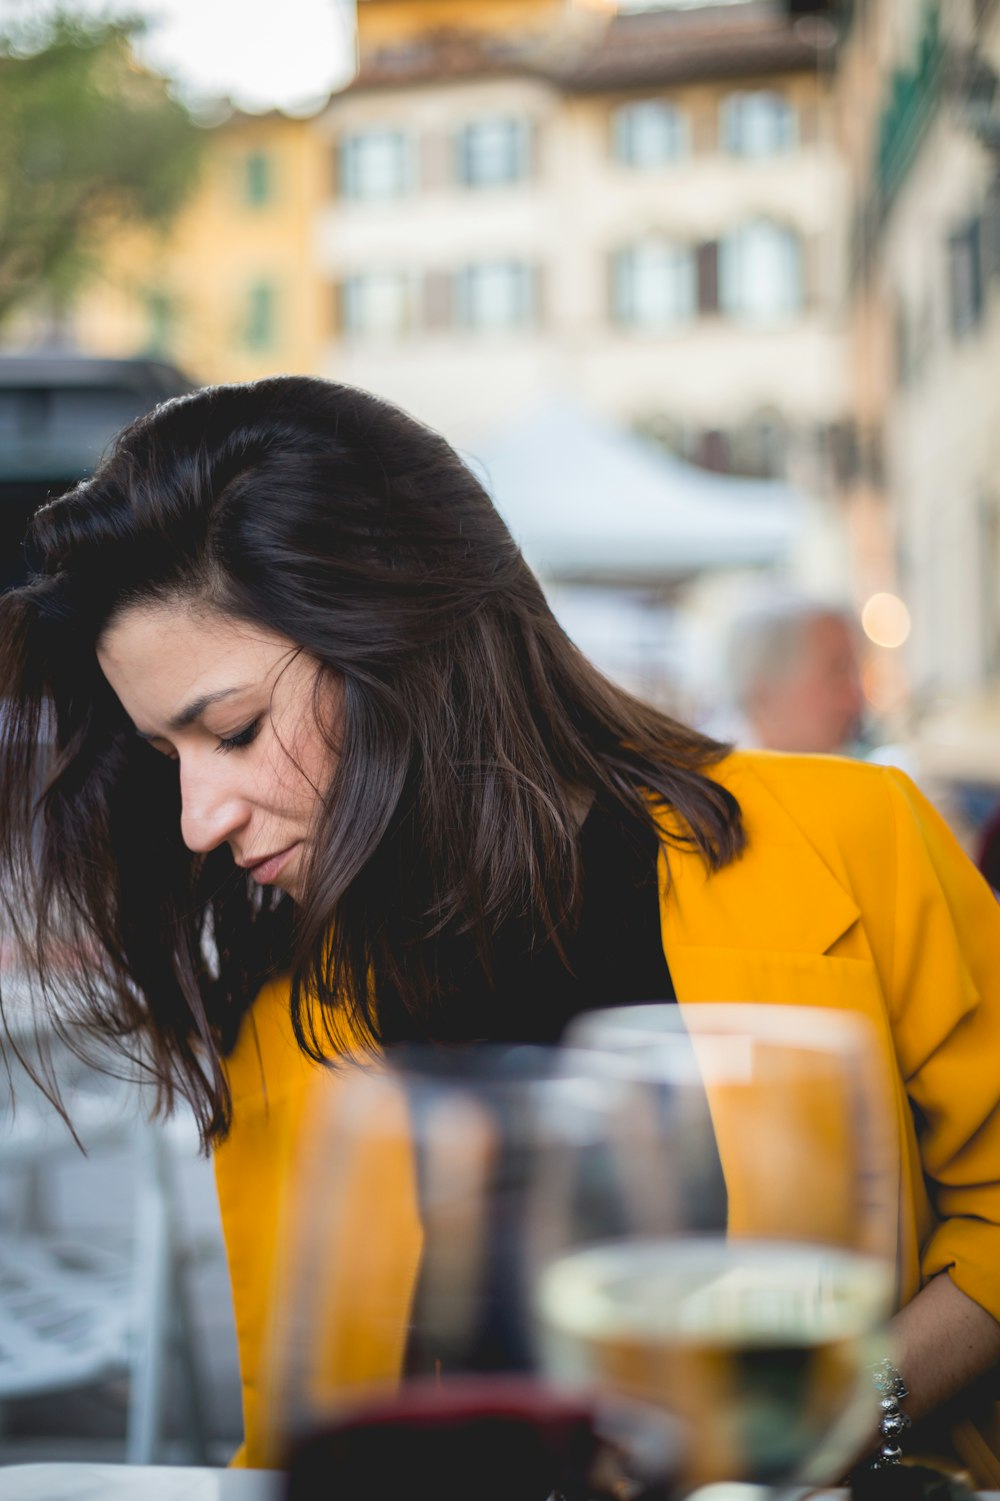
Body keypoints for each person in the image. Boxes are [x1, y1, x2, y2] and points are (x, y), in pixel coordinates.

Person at [1, 377, 999, 1480]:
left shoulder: (855, 841)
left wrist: (838, 1430)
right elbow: (304, 1433)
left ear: (403, 632)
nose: (197, 820)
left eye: (232, 731)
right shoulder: (284, 1015)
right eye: (166, 757)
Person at [721, 595, 866, 754]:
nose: (855, 700)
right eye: (837, 673)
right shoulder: (714, 775)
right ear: (765, 692)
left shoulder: (844, 770)